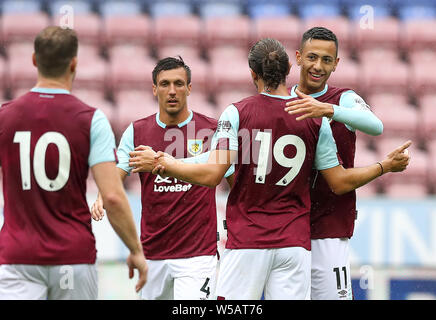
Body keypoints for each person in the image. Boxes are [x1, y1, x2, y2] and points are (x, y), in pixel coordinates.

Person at [132, 38, 410, 300]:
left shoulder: (237, 112)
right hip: (294, 244)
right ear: (291, 68)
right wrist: (384, 165)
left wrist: (164, 164)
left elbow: (213, 172)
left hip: (248, 242)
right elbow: (338, 181)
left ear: (253, 74)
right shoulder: (313, 118)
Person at [0, 26, 147, 300]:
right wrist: (135, 250)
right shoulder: (91, 119)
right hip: (73, 257)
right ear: (74, 63)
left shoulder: (5, 116)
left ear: (34, 60)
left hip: (17, 258)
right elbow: (113, 197)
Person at [91, 56, 234, 300]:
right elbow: (116, 172)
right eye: (165, 84)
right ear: (154, 89)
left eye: (179, 84)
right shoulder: (137, 131)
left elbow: (234, 183)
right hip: (152, 253)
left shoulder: (212, 130)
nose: (172, 91)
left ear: (189, 88)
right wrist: (102, 194)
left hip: (198, 255)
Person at [284, 26, 386, 299]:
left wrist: (328, 110)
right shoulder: (281, 101)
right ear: (298, 57)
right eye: (312, 57)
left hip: (329, 226)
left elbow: (376, 126)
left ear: (336, 63)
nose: (318, 66)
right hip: (284, 230)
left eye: (327, 60)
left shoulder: (344, 99)